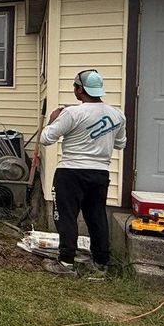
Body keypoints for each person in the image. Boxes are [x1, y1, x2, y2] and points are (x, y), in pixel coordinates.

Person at [40, 69, 127, 279]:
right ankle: (101, 263)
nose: (74, 91)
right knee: (96, 216)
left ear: (80, 89)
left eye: (75, 88)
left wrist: (52, 120)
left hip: (71, 172)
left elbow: (46, 138)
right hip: (100, 173)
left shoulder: (73, 113)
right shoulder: (117, 115)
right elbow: (121, 143)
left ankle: (66, 262)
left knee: (67, 216)